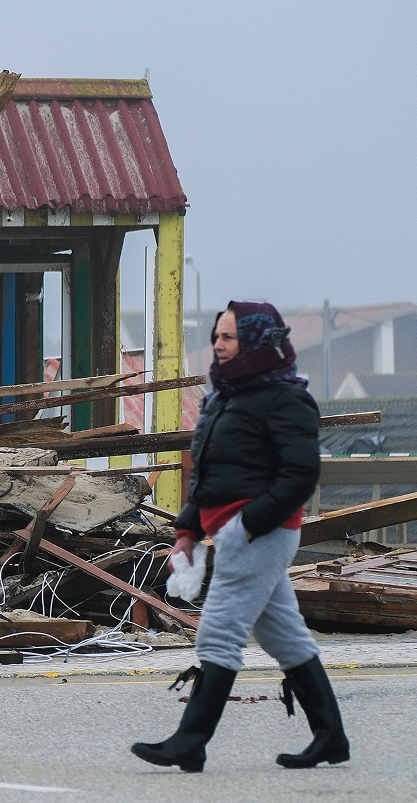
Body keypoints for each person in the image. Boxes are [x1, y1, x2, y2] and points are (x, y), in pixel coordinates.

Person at [131, 301, 349, 773]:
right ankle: (330, 736)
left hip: (258, 534)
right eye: (216, 336)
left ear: (255, 342)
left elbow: (300, 476)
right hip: (232, 531)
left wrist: (245, 526)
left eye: (228, 337)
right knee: (285, 636)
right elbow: (209, 475)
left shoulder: (287, 398)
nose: (218, 344)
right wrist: (187, 528)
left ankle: (189, 742)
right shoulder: (225, 395)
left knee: (218, 633)